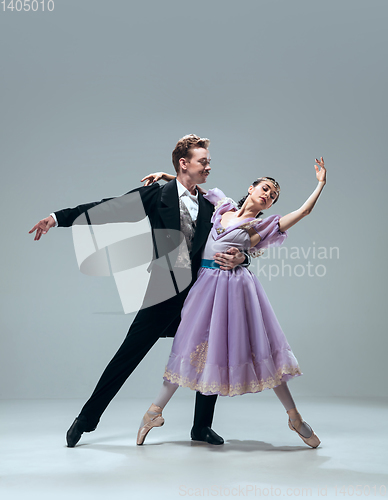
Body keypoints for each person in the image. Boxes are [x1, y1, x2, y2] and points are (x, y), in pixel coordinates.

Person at [28, 134, 247, 447]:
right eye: (204, 162)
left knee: (207, 357)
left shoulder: (212, 205)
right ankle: (86, 420)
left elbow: (239, 234)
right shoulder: (157, 196)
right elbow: (108, 209)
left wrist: (244, 256)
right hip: (162, 295)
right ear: (185, 164)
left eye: (209, 162)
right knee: (126, 357)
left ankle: (201, 427)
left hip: (201, 295)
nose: (209, 167)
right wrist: (56, 218)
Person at [136, 158, 326, 448]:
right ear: (251, 189)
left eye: (272, 195)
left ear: (270, 205)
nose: (268, 194)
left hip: (236, 290)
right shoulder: (221, 206)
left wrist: (320, 183)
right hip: (204, 287)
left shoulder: (258, 227)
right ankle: (153, 413)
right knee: (188, 346)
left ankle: (294, 417)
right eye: (265, 188)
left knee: (259, 347)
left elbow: (304, 211)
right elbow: (191, 186)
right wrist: (166, 175)